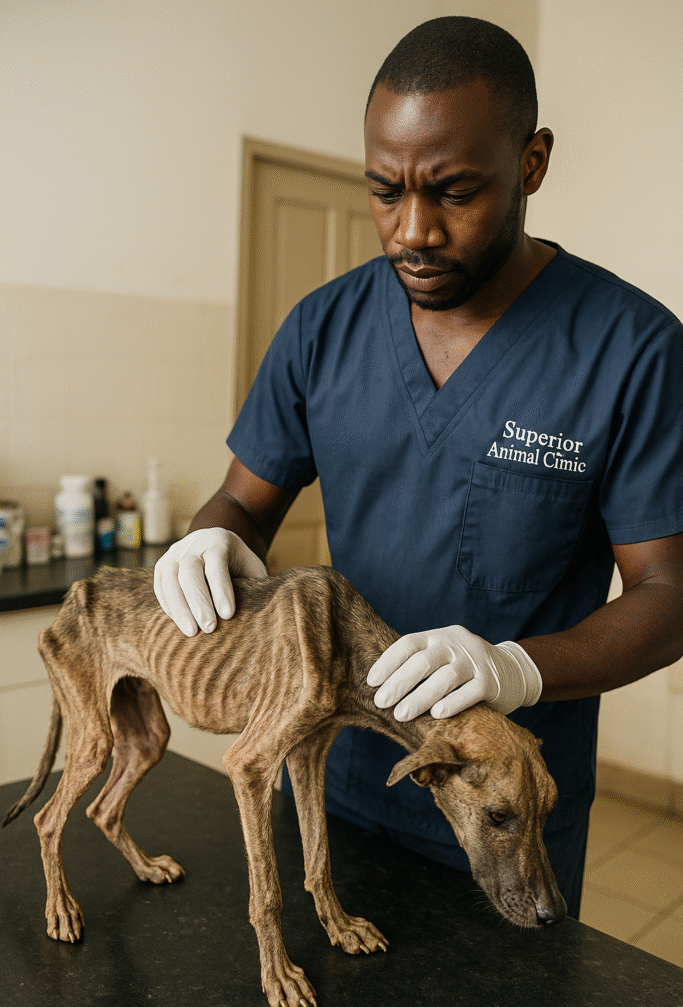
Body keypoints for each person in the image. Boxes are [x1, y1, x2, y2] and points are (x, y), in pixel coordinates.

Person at [154, 17, 683, 919]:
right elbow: (244, 500)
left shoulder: (630, 349)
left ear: (531, 163)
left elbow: (668, 592)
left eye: (452, 191)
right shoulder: (323, 329)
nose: (412, 230)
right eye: (384, 190)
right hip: (333, 773)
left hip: (506, 802)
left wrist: (515, 667)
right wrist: (210, 536)